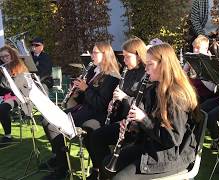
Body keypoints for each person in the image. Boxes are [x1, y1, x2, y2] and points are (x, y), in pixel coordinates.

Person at [96, 43, 200, 180]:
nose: (146, 68)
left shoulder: (176, 96)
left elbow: (173, 138)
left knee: (120, 178)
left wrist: (143, 119)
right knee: (106, 164)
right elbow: (152, 122)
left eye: (150, 64)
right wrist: (134, 126)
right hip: (152, 145)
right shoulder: (154, 89)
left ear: (164, 65)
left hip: (171, 155)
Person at [41, 41, 120, 180]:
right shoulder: (93, 70)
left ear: (105, 55)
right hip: (84, 109)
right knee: (47, 121)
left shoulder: (112, 76)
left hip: (96, 114)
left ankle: (62, 168)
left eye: (95, 53)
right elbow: (86, 98)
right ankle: (60, 159)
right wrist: (77, 91)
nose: (92, 56)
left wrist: (86, 89)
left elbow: (100, 104)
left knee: (53, 125)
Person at [87, 37, 148, 180]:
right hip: (123, 120)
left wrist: (125, 97)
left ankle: (107, 173)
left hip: (138, 126)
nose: (124, 61)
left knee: (99, 135)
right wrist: (114, 104)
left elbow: (144, 104)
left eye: (127, 57)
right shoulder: (128, 72)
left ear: (139, 56)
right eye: (123, 57)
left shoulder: (147, 74)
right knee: (96, 136)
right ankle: (101, 172)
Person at [0, 45, 28, 146]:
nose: (4, 59)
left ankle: (8, 135)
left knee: (2, 108)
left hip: (20, 95)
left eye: (6, 56)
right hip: (6, 94)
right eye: (2, 57)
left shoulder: (19, 66)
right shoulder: (3, 67)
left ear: (12, 55)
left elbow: (13, 87)